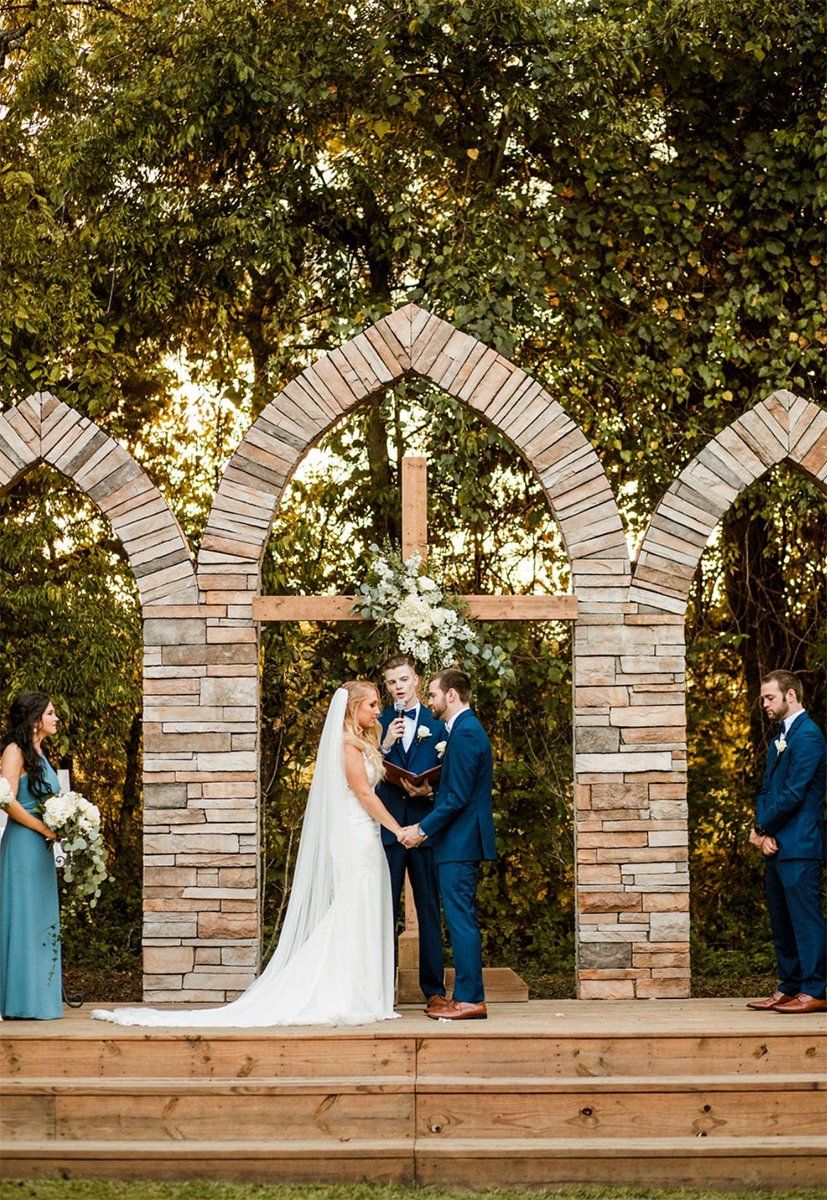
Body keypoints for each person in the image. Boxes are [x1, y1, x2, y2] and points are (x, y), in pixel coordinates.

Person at [93, 681, 405, 1027]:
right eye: (373, 705)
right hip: (354, 834)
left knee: (359, 907)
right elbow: (364, 794)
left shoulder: (360, 741)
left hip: (364, 832)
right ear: (352, 709)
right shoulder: (347, 745)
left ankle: (358, 988)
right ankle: (344, 990)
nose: (378, 711)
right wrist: (399, 829)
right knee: (352, 907)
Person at [400, 669, 496, 1020]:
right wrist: (430, 792)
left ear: (452, 695)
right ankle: (467, 996)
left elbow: (458, 799)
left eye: (435, 695)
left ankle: (471, 999)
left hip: (460, 841)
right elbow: (458, 790)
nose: (431, 701)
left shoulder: (467, 733)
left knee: (461, 920)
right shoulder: (463, 732)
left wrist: (422, 829)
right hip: (457, 840)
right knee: (460, 917)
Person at [747, 670, 826, 1014]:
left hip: (800, 844)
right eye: (764, 698)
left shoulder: (808, 736)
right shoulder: (780, 737)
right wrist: (761, 834)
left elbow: (795, 794)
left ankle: (816, 989)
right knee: (781, 921)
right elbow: (767, 790)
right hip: (776, 844)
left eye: (769, 697)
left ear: (790, 696)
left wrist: (762, 827)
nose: (764, 703)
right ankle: (789, 986)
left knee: (805, 921)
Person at [377, 654, 447, 1014]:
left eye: (403, 679)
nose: (398, 687)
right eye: (391, 682)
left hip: (424, 828)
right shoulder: (378, 721)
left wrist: (430, 793)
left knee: (429, 910)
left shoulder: (438, 725)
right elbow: (362, 773)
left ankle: (433, 990)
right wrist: (385, 745)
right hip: (388, 829)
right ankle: (379, 989)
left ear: (416, 680)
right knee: (382, 911)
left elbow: (449, 776)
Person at [0, 692, 63, 1020]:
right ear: (36, 718)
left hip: (42, 847)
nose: (55, 719)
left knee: (41, 920)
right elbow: (7, 801)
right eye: (51, 713)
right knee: (22, 917)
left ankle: (41, 999)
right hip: (24, 844)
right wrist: (43, 828)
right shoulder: (14, 751)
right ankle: (19, 1001)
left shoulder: (40, 751)